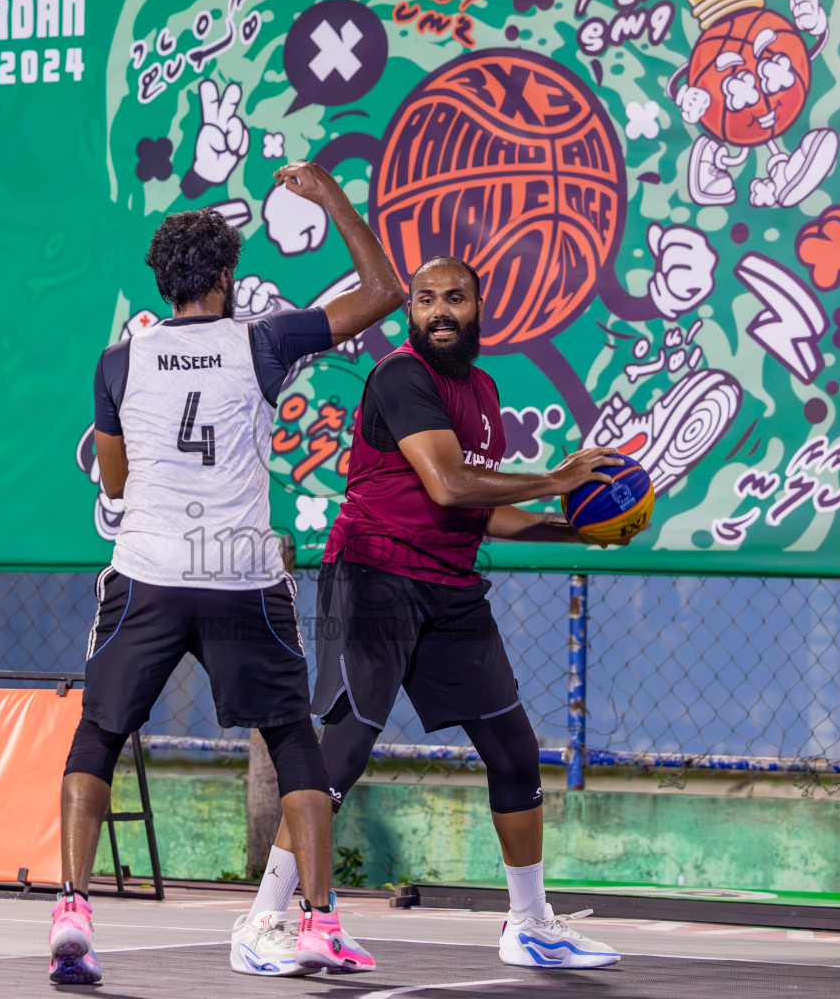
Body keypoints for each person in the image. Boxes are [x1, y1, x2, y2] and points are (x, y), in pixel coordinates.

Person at [50, 160, 405, 985]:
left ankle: (72, 907)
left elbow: (114, 482)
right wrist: (330, 197)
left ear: (165, 283)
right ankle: (316, 920)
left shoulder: (118, 362)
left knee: (99, 733)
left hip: (149, 569)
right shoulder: (264, 340)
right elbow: (384, 291)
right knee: (290, 737)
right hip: (239, 572)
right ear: (225, 277)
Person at [243, 257, 637, 970]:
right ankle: (264, 918)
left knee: (514, 752)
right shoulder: (400, 376)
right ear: (412, 312)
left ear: (479, 307)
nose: (439, 311)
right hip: (372, 578)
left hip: (448, 587)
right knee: (345, 749)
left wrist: (574, 526)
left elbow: (480, 509)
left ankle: (529, 925)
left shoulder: (481, 391)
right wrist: (561, 478)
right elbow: (451, 484)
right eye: (425, 300)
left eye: (454, 298)